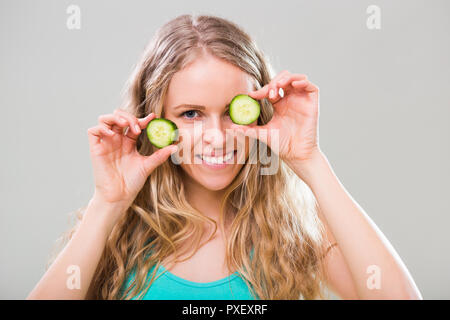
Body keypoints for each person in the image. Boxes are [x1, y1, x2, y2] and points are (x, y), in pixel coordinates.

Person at [27, 14, 422, 300]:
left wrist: (311, 162)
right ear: (155, 120)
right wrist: (107, 205)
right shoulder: (117, 230)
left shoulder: (297, 229)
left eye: (235, 111)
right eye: (191, 114)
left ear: (263, 110)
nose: (216, 137)